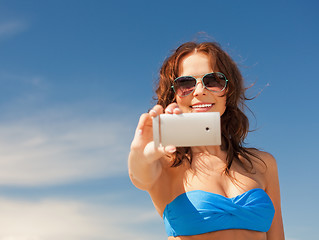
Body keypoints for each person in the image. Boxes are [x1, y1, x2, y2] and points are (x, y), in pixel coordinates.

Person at [128, 41, 285, 240]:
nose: (200, 91)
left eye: (213, 80)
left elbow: (277, 236)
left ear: (228, 91)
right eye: (185, 83)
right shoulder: (164, 163)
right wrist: (139, 155)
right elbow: (140, 175)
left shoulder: (264, 164)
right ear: (174, 95)